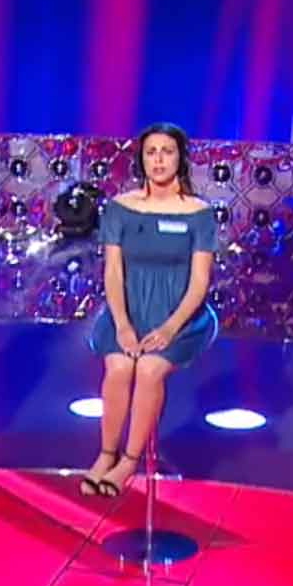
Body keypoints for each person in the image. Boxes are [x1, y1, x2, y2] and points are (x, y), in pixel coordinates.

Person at [78, 123, 219, 498]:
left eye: (167, 152)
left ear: (180, 158)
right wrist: (123, 325)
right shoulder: (120, 208)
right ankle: (106, 455)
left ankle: (129, 460)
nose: (158, 160)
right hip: (128, 309)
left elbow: (200, 281)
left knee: (149, 369)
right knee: (119, 367)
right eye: (151, 152)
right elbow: (112, 272)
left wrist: (170, 328)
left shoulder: (199, 214)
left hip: (180, 316)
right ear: (141, 159)